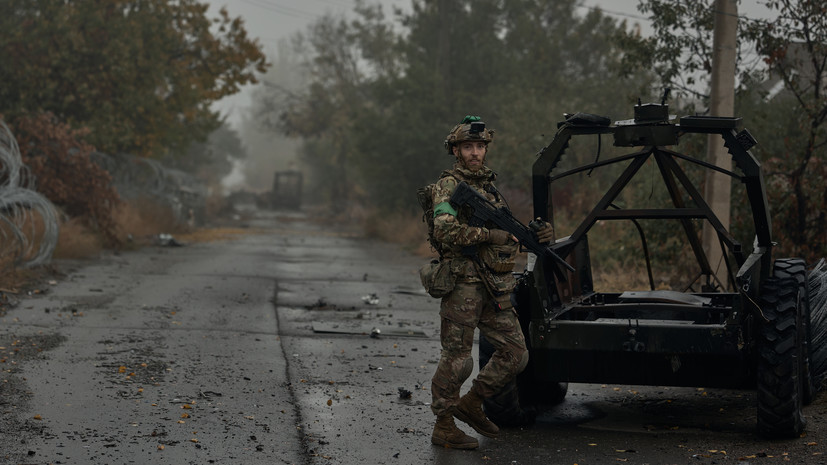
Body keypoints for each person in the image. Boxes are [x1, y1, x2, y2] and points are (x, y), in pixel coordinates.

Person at [428, 115, 554, 449]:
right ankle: (443, 426)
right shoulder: (448, 186)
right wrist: (488, 233)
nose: (474, 153)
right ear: (456, 150)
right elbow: (444, 230)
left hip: (494, 286)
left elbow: (508, 236)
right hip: (462, 285)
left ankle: (471, 403)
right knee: (457, 358)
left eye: (480, 147)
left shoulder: (490, 189)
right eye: (468, 147)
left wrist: (536, 236)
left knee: (516, 352)